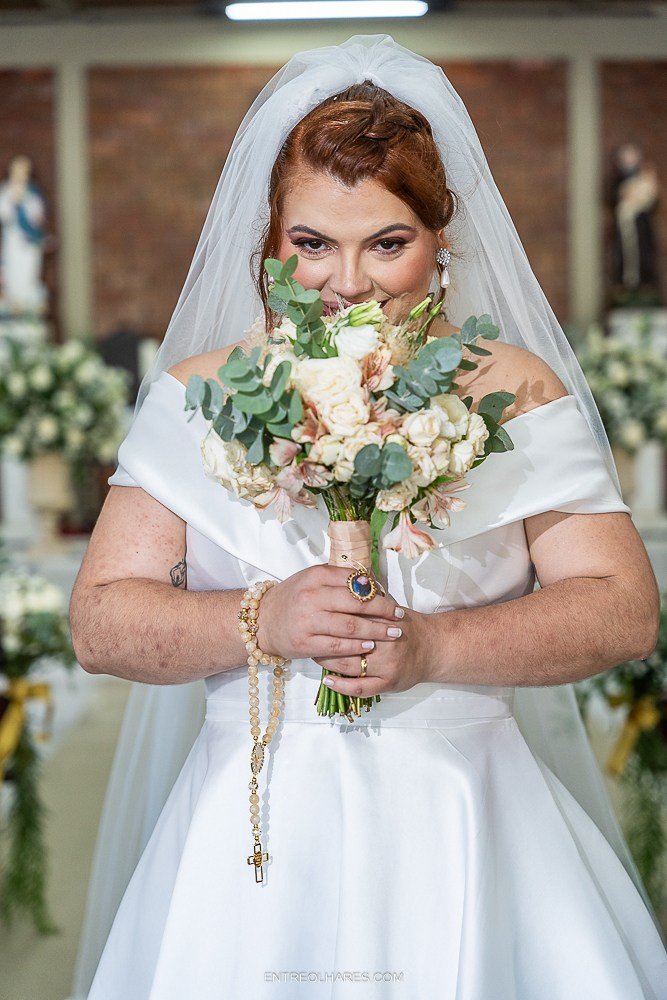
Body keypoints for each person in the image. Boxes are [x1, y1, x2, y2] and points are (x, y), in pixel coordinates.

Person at [69, 36, 667, 1000]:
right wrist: (259, 620)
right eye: (312, 244)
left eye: (387, 242)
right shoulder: (196, 396)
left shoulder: (513, 392)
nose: (348, 282)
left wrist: (431, 649)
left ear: (440, 241)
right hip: (253, 833)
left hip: (464, 816)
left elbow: (621, 610)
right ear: (267, 242)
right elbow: (100, 622)